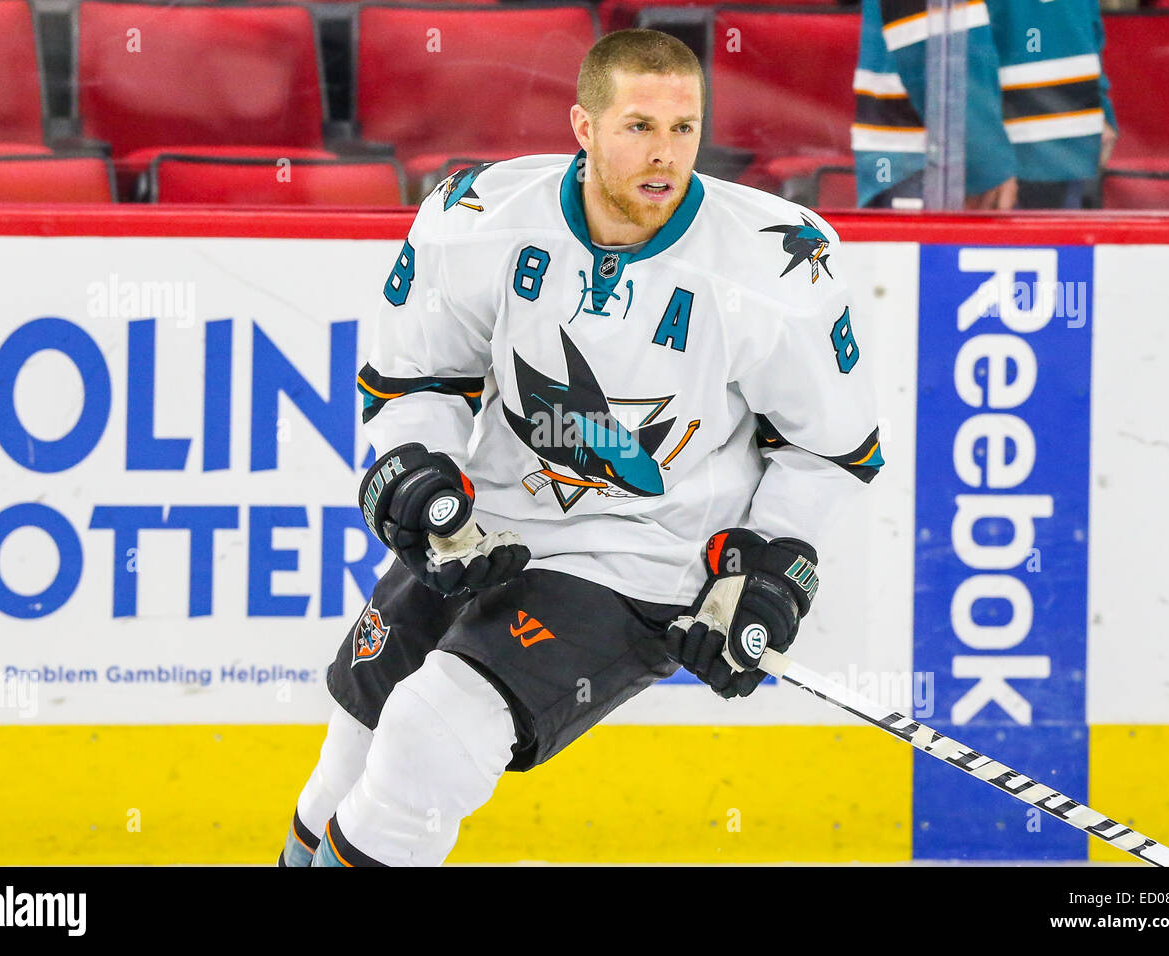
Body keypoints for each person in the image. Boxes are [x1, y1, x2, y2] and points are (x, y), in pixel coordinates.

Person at [279, 28, 882, 868]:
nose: (665, 155)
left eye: (684, 128)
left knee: (430, 739)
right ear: (583, 128)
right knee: (357, 733)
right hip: (485, 531)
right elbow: (417, 377)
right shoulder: (479, 216)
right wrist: (419, 474)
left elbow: (832, 450)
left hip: (641, 557)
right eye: (639, 126)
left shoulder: (775, 266)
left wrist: (771, 574)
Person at [854, 0, 1118, 209]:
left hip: (1059, 156)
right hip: (951, 167)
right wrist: (979, 159)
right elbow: (929, 24)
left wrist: (1097, 103)